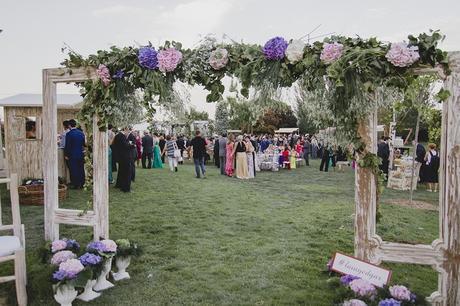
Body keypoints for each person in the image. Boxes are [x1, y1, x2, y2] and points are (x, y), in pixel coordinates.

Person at [64, 119, 86, 189]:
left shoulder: (69, 134)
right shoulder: (81, 133)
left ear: (69, 125)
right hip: (80, 153)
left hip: (72, 154)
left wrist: (66, 155)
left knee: (73, 169)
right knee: (81, 169)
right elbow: (83, 144)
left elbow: (67, 146)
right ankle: (82, 183)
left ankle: (76, 184)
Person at [113, 127, 135, 192]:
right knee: (127, 172)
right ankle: (126, 188)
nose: (128, 132)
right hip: (126, 157)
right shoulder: (122, 136)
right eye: (128, 131)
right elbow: (126, 145)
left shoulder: (117, 136)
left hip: (121, 156)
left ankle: (120, 184)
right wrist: (133, 146)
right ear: (125, 130)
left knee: (121, 171)